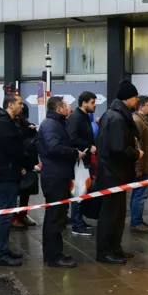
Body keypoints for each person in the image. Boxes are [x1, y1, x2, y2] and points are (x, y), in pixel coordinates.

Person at [95, 80, 142, 264]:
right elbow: (118, 147)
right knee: (110, 214)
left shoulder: (116, 115)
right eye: (136, 97)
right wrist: (137, 153)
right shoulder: (116, 117)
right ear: (128, 98)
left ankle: (115, 248)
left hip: (115, 173)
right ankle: (105, 251)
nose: (137, 101)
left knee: (118, 214)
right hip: (112, 173)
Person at [38, 96, 84, 268]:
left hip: (59, 175)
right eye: (65, 105)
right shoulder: (51, 125)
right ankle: (53, 256)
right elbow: (54, 148)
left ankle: (55, 253)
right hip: (55, 177)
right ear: (59, 109)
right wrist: (74, 153)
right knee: (54, 218)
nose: (69, 108)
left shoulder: (57, 123)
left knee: (57, 217)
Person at [0, 94, 28, 267]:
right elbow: (13, 149)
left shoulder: (9, 122)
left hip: (9, 173)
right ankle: (0, 254)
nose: (22, 106)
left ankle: (4, 249)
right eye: (19, 103)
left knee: (6, 214)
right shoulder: (2, 124)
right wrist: (24, 161)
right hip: (5, 174)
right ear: (11, 105)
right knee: (4, 216)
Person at [66, 91, 97, 236]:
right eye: (92, 102)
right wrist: (89, 146)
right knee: (78, 190)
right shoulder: (77, 117)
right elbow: (72, 138)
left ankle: (79, 219)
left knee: (83, 189)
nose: (94, 105)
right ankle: (76, 224)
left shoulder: (83, 117)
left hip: (84, 159)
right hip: (78, 160)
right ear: (84, 103)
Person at [12, 103, 39, 228]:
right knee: (15, 193)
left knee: (26, 191)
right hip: (17, 164)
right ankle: (14, 217)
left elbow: (35, 141)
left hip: (28, 163)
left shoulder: (28, 125)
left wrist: (34, 132)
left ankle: (22, 215)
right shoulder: (12, 126)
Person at [130, 96, 148, 233]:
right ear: (141, 107)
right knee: (140, 194)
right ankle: (136, 222)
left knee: (138, 194)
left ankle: (136, 219)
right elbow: (138, 145)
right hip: (143, 165)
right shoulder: (138, 121)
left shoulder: (143, 120)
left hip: (145, 164)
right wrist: (139, 166)